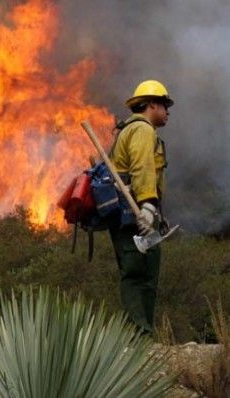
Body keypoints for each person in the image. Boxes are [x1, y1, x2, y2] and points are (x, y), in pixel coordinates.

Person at [109, 80, 173, 335]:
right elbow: (142, 168)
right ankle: (140, 337)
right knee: (140, 273)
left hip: (129, 215)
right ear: (151, 105)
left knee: (138, 271)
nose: (168, 111)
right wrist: (147, 206)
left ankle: (141, 334)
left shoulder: (129, 129)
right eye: (165, 105)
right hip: (134, 216)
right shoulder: (142, 130)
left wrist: (157, 211)